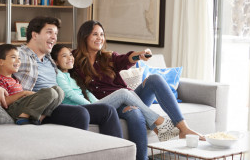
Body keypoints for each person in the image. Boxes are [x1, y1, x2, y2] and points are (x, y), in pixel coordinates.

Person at [71, 20, 204, 160]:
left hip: (130, 97)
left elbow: (126, 59)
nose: (100, 38)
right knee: (135, 112)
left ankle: (183, 128)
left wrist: (139, 55)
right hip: (110, 106)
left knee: (155, 79)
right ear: (84, 36)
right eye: (95, 34)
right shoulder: (74, 59)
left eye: (102, 34)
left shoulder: (108, 57)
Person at [0, 17, 122, 138]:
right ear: (34, 35)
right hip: (36, 107)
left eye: (56, 34)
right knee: (80, 114)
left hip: (56, 104)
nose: (54, 37)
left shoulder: (49, 59)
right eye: (49, 32)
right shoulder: (19, 54)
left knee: (107, 111)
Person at [51, 44, 180, 140]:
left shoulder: (72, 75)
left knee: (128, 93)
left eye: (70, 54)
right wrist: (91, 106)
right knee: (123, 93)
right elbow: (70, 94)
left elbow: (87, 93)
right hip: (82, 109)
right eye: (64, 56)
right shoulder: (59, 75)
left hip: (92, 105)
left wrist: (97, 104)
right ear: (56, 61)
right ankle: (159, 122)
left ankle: (161, 126)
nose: (70, 58)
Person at [0, 43, 63, 125]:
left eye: (19, 58)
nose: (18, 61)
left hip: (23, 104)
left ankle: (40, 118)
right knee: (50, 92)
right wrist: (23, 93)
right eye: (13, 57)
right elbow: (4, 102)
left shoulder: (15, 80)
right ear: (0, 61)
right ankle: (23, 117)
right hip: (13, 109)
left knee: (58, 91)